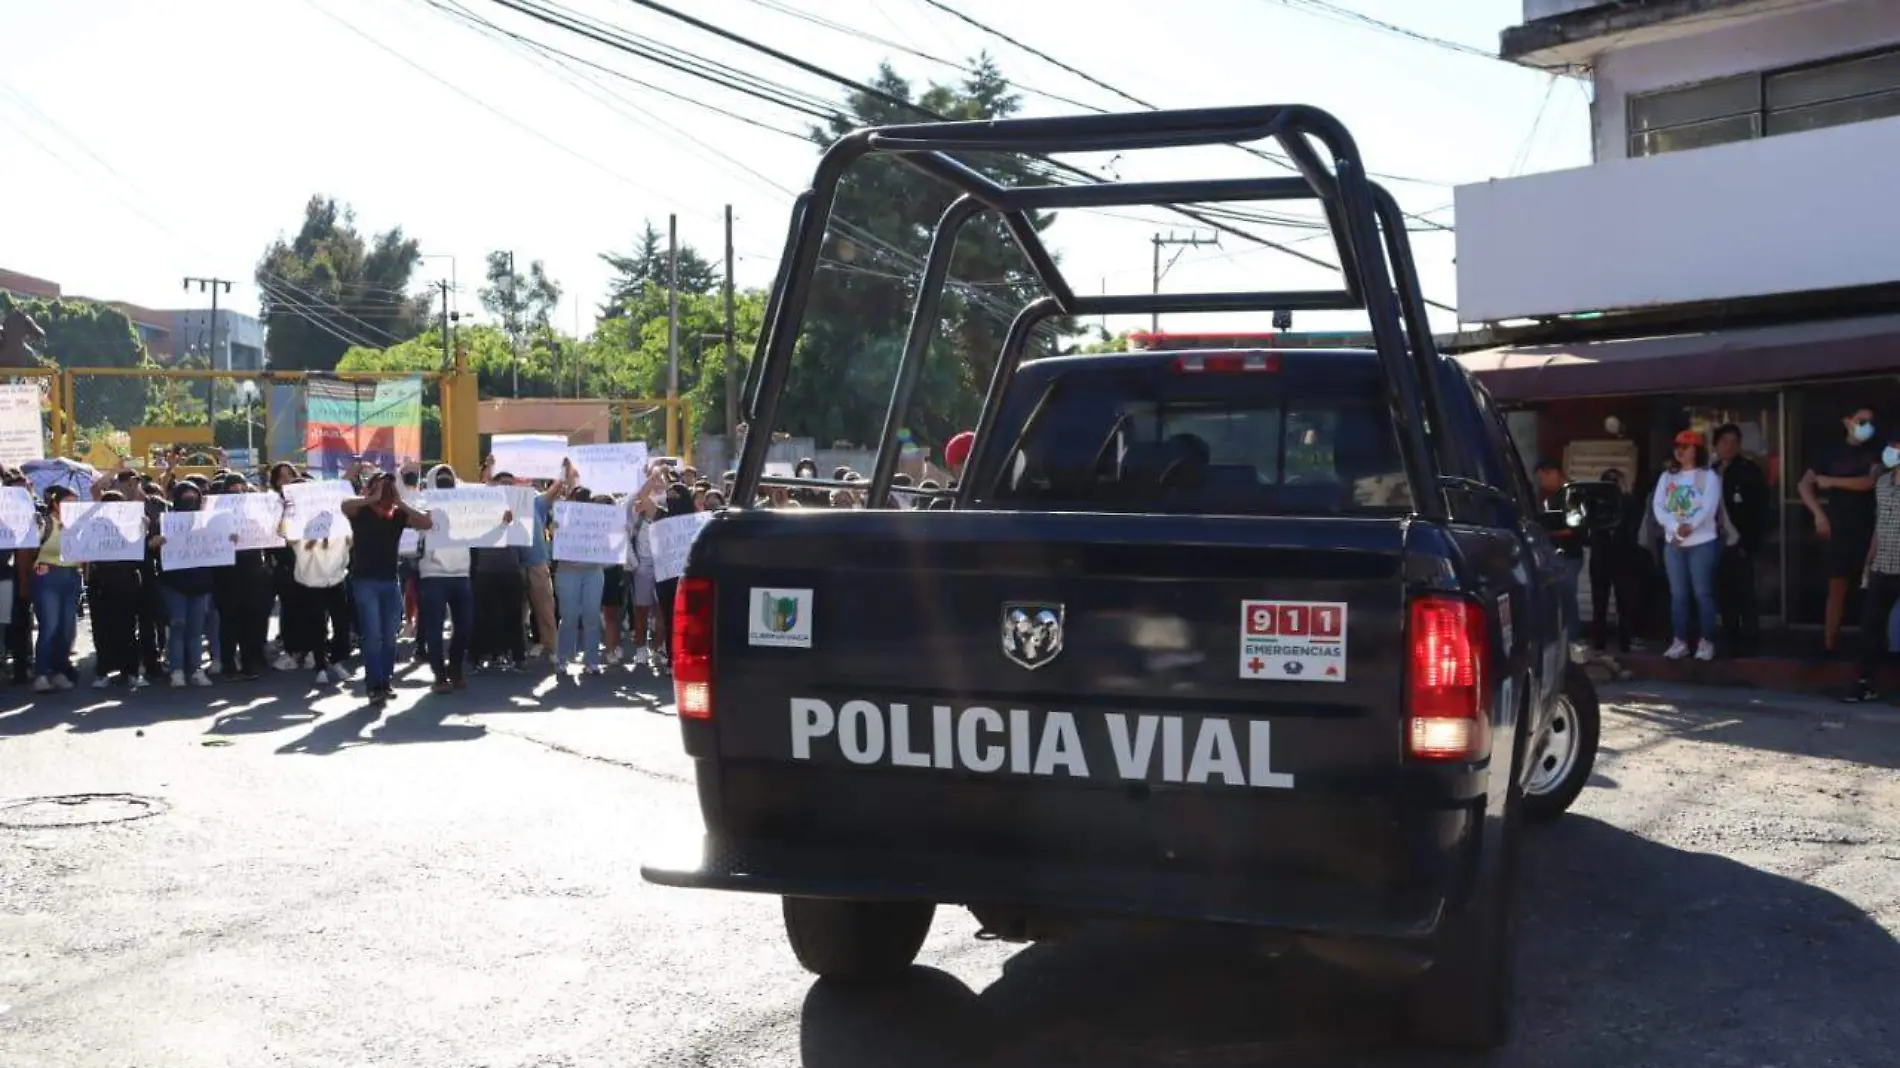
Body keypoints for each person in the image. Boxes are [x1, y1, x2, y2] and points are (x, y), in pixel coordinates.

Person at [342, 471, 434, 704]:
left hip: (390, 581)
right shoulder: (361, 511)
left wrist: (400, 502)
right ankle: (374, 684)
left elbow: (426, 522)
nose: (386, 492)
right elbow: (344, 506)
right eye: (382, 487)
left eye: (390, 488)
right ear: (370, 488)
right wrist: (372, 498)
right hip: (364, 581)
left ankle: (385, 680)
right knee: (372, 635)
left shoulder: (397, 514)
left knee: (390, 636)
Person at [1800, 407, 1882, 657]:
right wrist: (1818, 514)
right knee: (1837, 589)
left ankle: (1872, 647)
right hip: (1837, 529)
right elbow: (1804, 485)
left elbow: (1870, 482)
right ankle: (1829, 644)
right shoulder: (1829, 453)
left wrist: (1832, 481)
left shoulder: (1876, 452)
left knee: (1873, 590)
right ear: (1847, 422)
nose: (1866, 425)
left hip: (1870, 530)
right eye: (1861, 421)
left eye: (1869, 421)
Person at [1653, 430, 1723, 661]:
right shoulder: (1667, 477)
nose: (1680, 450)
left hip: (1701, 542)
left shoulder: (1708, 476)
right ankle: (1680, 640)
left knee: (1703, 593)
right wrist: (1675, 527)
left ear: (1697, 450)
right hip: (1674, 543)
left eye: (1687, 446)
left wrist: (1689, 525)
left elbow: (1708, 507)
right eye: (1678, 446)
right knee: (1678, 595)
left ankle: (1707, 641)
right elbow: (1659, 506)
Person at [1843, 428, 1900, 702]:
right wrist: (1869, 561)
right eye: (1892, 445)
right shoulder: (1884, 483)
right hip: (1881, 566)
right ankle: (1865, 683)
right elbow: (1880, 526)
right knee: (1870, 627)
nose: (1893, 450)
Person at [415, 463, 476, 694]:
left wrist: (501, 518)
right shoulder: (423, 502)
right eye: (440, 478)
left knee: (465, 626)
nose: (445, 481)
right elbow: (417, 523)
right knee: (434, 627)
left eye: (448, 477)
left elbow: (484, 525)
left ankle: (456, 666)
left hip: (461, 572)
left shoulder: (466, 504)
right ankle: (439, 674)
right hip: (433, 573)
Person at [1711, 424, 1769, 657]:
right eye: (1724, 441)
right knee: (1723, 592)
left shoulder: (1749, 470)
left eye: (1734, 442)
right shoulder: (1709, 472)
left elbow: (1761, 508)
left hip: (1741, 540)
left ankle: (1750, 640)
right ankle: (1729, 637)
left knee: (1745, 592)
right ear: (1716, 444)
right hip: (1715, 541)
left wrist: (1750, 541)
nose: (1729, 446)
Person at [154, 482, 217, 687]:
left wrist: (228, 540)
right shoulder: (165, 523)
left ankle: (196, 669)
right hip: (174, 585)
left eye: (194, 498)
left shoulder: (207, 522)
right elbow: (152, 549)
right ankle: (177, 670)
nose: (190, 502)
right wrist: (155, 543)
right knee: (178, 627)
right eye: (186, 498)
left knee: (196, 630)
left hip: (200, 585)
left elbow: (217, 545)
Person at [86, 488, 147, 689]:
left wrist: (143, 530)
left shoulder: (132, 525)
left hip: (125, 581)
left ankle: (130, 670)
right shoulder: (93, 527)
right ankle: (103, 671)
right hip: (101, 583)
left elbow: (140, 554)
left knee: (128, 629)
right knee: (103, 629)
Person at [550, 463, 606, 676]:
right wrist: (566, 476)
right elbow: (556, 497)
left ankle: (592, 660)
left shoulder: (598, 518)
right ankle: (563, 658)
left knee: (592, 615)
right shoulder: (560, 515)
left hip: (593, 572)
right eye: (577, 499)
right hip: (568, 571)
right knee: (569, 616)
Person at [471, 463, 527, 672]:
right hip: (486, 570)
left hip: (511, 570)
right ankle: (478, 658)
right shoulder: (482, 507)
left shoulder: (521, 507)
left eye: (511, 484)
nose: (507, 487)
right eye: (503, 483)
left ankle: (518, 658)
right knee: (482, 616)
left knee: (514, 616)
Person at [31, 486, 84, 691]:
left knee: (67, 628)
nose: (72, 507)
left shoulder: (79, 525)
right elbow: (31, 541)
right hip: (47, 576)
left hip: (71, 577)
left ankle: (60, 671)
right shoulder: (45, 523)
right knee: (50, 626)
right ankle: (42, 674)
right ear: (55, 503)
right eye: (68, 502)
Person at [1587, 469, 1645, 655]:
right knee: (1601, 601)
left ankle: (1623, 642)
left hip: (1623, 556)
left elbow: (1634, 526)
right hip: (1604, 555)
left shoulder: (1628, 502)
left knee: (1623, 602)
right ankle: (1601, 642)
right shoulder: (1594, 503)